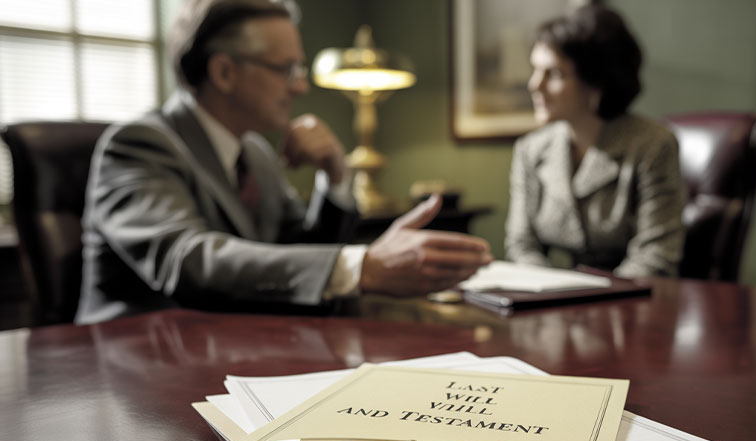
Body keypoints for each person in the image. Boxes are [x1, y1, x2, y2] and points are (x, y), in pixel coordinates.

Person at [76, 0, 491, 324]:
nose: (301, 85)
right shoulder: (139, 144)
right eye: (286, 68)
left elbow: (301, 254)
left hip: (231, 346)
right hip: (132, 368)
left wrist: (336, 175)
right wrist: (361, 266)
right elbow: (186, 260)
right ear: (223, 72)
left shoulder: (254, 152)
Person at [504, 5, 685, 278]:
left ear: (596, 81)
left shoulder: (653, 146)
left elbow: (655, 255)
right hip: (555, 306)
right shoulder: (530, 150)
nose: (534, 85)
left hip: (633, 307)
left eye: (553, 74)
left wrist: (589, 302)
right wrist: (548, 292)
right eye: (535, 70)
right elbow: (521, 245)